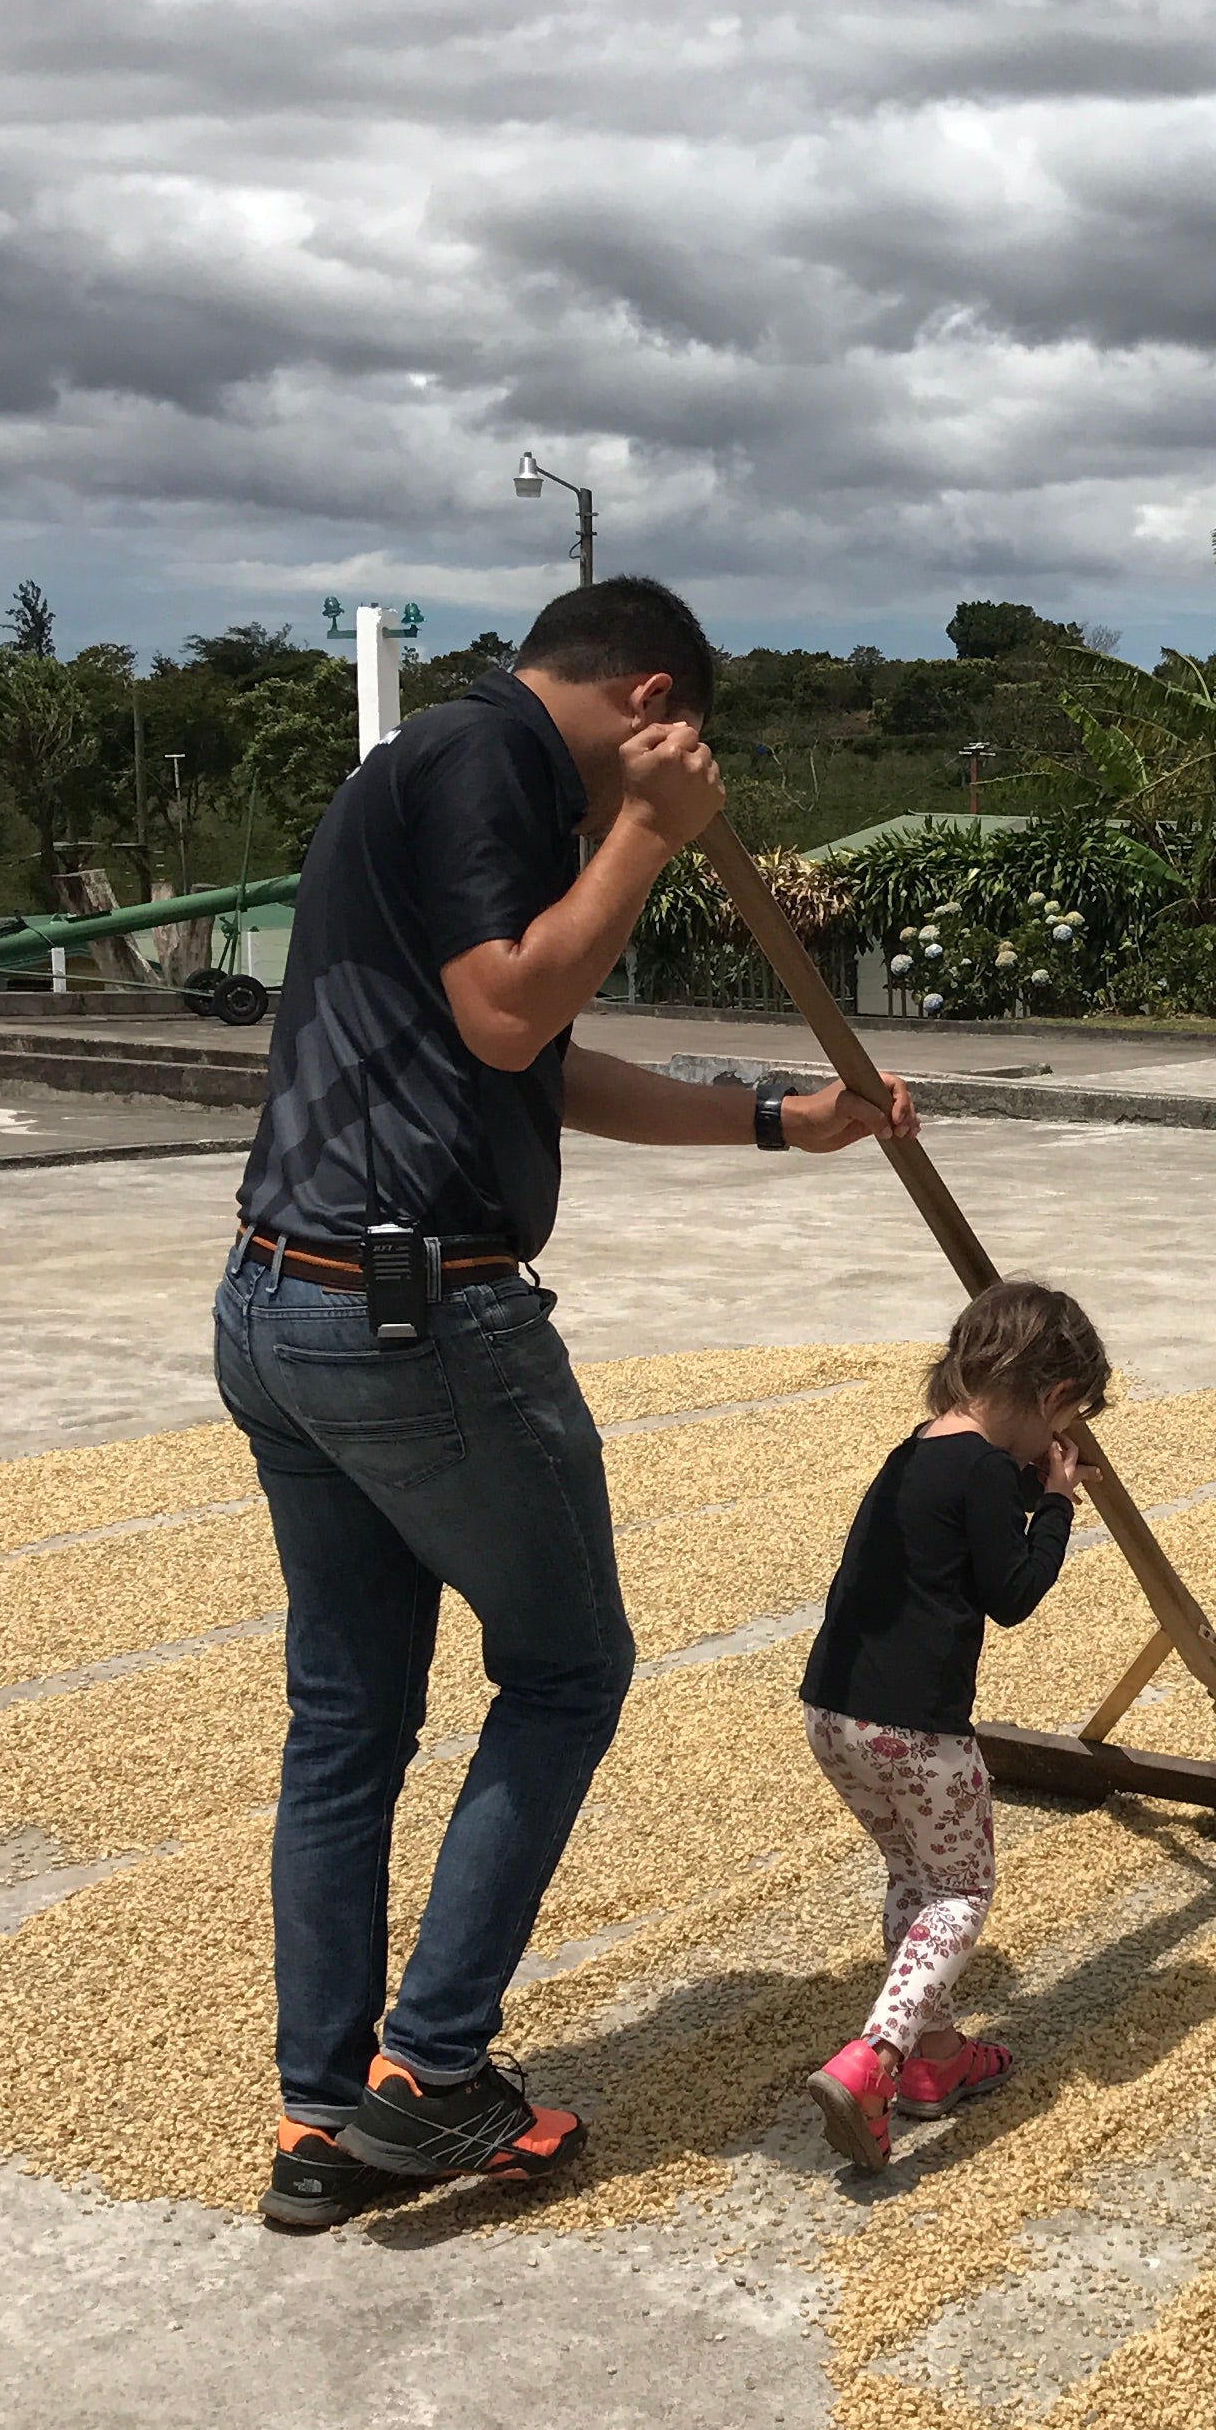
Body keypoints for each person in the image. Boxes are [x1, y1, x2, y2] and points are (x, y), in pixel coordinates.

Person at [220, 573, 914, 2236]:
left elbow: (532, 1063)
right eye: (670, 748)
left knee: (351, 1715)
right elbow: (514, 1003)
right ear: (654, 696)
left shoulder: (441, 778)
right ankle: (436, 2070)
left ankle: (330, 2116)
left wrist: (768, 1118)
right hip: (416, 1315)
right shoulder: (487, 764)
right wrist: (653, 833)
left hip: (285, 1300)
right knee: (567, 1666)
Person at [796, 1280, 1112, 2171]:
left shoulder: (921, 1452)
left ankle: (939, 2063)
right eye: (1067, 1416)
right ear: (1052, 1400)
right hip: (918, 1734)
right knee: (962, 1894)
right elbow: (1011, 1595)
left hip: (833, 1715)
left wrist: (1026, 1477)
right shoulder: (985, 1472)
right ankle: (877, 2058)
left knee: (912, 1875)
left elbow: (966, 1512)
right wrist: (1054, 1504)